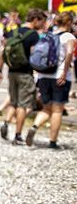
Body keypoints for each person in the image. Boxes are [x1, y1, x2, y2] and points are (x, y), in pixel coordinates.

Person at [25, 12, 74, 149]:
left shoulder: (47, 35)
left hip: (43, 75)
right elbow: (69, 52)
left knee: (47, 108)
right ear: (69, 23)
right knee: (57, 110)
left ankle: (34, 126)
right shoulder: (68, 36)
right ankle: (52, 142)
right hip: (59, 76)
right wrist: (64, 72)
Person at [0, 9, 45, 144]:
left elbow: (3, 51)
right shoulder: (34, 35)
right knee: (23, 105)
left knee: (13, 101)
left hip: (11, 72)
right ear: (35, 20)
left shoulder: (14, 31)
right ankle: (18, 135)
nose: (42, 24)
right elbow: (34, 56)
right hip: (25, 73)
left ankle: (6, 123)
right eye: (41, 21)